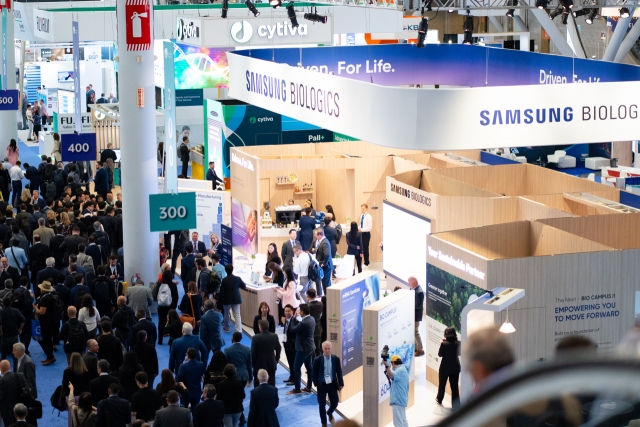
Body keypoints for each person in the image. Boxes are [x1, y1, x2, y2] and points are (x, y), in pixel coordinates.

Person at [463, 327, 514, 392]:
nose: (473, 379)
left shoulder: (489, 400)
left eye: (471, 372)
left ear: (478, 369)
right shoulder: (526, 394)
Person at [313, 342, 344, 427]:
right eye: (325, 349)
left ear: (331, 348)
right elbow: (314, 372)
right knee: (321, 405)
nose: (327, 350)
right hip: (322, 385)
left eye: (328, 348)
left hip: (332, 384)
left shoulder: (335, 359)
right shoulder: (317, 359)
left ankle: (329, 412)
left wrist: (341, 383)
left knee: (335, 403)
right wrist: (316, 383)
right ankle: (324, 423)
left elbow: (339, 371)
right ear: (322, 349)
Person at [287, 304, 315, 395]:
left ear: (302, 312)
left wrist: (294, 319)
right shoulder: (312, 319)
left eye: (299, 311)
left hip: (302, 348)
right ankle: (309, 387)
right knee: (309, 367)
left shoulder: (304, 322)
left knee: (296, 367)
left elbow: (292, 329)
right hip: (310, 347)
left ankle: (297, 388)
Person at [33, 281, 60, 365]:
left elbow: (42, 312)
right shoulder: (51, 296)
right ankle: (49, 356)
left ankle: (50, 356)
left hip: (45, 322)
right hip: (52, 321)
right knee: (48, 339)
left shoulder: (44, 299)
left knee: (42, 340)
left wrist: (35, 308)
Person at [436, 327, 461, 410]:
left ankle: (439, 399)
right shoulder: (459, 343)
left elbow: (440, 354)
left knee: (442, 385)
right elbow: (460, 353)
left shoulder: (444, 344)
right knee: (454, 387)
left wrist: (441, 344)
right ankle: (456, 405)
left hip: (444, 367)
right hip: (455, 367)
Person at [251, 319, 281, 388]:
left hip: (259, 364)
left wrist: (252, 364)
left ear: (260, 327)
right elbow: (278, 348)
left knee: (258, 385)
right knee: (271, 384)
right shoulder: (274, 336)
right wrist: (277, 359)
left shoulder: (255, 338)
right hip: (271, 363)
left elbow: (253, 353)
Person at [382, 355, 409, 427]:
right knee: (403, 421)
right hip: (401, 400)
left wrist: (387, 366)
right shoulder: (402, 370)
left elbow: (391, 376)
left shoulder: (400, 370)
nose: (392, 366)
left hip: (398, 400)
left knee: (398, 423)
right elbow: (391, 376)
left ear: (393, 363)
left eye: (391, 364)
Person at [219, 264, 246, 333]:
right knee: (237, 314)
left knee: (226, 314)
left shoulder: (224, 280)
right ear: (232, 270)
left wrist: (220, 300)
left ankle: (227, 328)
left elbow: (221, 291)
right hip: (236, 298)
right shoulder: (238, 278)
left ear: (225, 270)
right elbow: (244, 286)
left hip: (226, 299)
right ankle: (239, 329)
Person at [0, 360, 28, 425]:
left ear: (2, 368)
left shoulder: (1, 381)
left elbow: (1, 397)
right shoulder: (20, 376)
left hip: (8, 413)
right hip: (21, 410)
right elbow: (27, 390)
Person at [154, 270, 179, 345]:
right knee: (171, 323)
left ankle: (160, 340)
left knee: (161, 323)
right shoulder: (173, 285)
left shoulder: (159, 285)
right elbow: (176, 297)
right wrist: (174, 307)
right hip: (170, 307)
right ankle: (170, 340)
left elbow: (155, 296)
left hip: (161, 307)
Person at [0, 295, 25, 363]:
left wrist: (1, 331)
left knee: (3, 357)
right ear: (11, 303)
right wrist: (20, 329)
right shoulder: (16, 310)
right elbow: (23, 320)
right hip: (14, 337)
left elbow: (0, 323)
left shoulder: (1, 312)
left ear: (3, 303)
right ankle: (16, 372)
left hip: (5, 337)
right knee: (15, 357)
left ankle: (2, 372)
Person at [407, 276, 425, 357]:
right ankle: (416, 348)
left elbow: (417, 305)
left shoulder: (419, 292)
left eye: (409, 282)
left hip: (416, 316)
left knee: (416, 332)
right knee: (413, 332)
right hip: (412, 315)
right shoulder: (413, 289)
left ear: (414, 282)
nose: (408, 284)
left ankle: (420, 349)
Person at [313, 228, 333, 296]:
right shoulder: (322, 241)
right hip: (323, 265)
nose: (315, 237)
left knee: (326, 283)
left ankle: (328, 298)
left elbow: (327, 254)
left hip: (326, 266)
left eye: (316, 235)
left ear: (319, 235)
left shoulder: (324, 242)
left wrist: (323, 263)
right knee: (324, 283)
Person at [306, 289, 323, 356]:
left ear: (307, 296)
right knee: (318, 348)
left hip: (310, 329)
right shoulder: (320, 304)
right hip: (318, 328)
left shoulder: (308, 306)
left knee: (311, 349)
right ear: (316, 295)